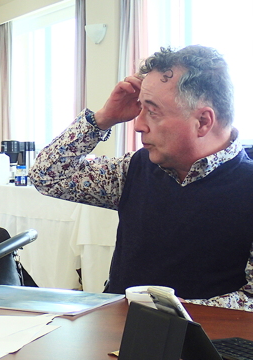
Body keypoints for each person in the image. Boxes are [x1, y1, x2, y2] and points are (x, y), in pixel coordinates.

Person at [29, 45, 253, 311]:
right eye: (140, 108)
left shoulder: (246, 188)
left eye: (153, 111)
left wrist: (174, 311)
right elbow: (47, 175)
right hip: (117, 335)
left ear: (203, 121)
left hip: (208, 343)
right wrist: (103, 119)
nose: (138, 124)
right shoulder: (134, 169)